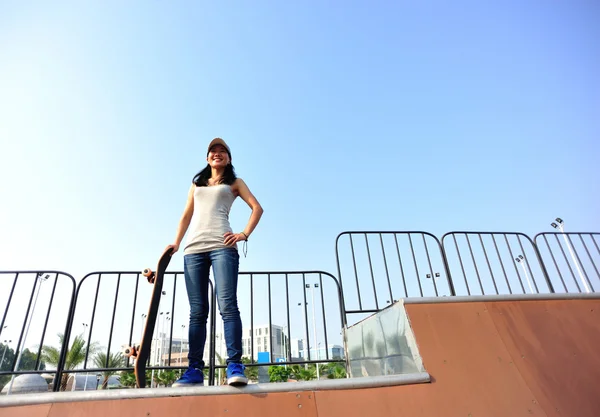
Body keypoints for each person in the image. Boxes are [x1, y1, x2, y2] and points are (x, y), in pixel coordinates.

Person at [167, 138, 263, 387]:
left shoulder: (234, 183)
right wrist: (176, 243)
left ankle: (234, 366)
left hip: (223, 247)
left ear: (228, 159)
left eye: (222, 151)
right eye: (213, 151)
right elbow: (186, 215)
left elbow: (257, 208)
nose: (217, 154)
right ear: (207, 158)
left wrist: (243, 234)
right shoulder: (196, 184)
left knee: (228, 306)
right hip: (194, 250)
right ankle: (194, 370)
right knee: (197, 312)